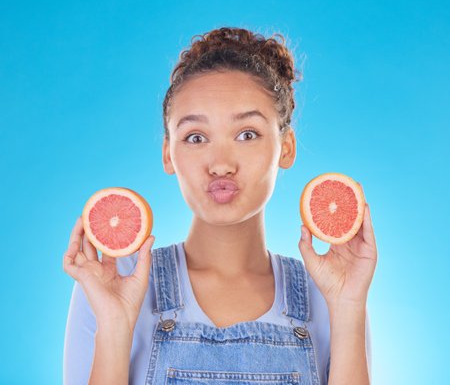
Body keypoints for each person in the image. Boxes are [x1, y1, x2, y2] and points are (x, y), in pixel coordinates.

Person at [63, 27, 377, 385]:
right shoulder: (115, 281)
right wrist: (115, 326)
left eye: (247, 134)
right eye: (196, 137)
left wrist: (349, 307)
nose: (221, 164)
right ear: (168, 154)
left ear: (286, 147)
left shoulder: (329, 293)